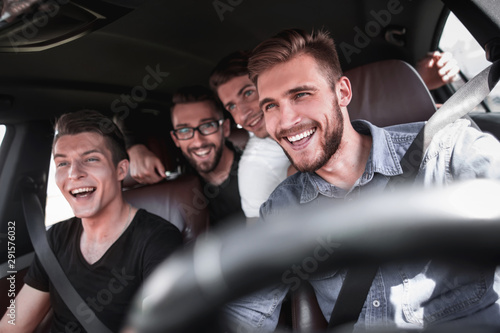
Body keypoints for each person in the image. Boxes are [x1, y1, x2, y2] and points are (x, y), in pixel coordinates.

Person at [224, 28, 500, 332]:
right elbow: (246, 311)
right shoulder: (281, 209)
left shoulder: (448, 149)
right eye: (271, 106)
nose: (286, 121)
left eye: (301, 94)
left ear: (342, 92)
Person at [0, 110, 183, 333]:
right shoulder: (55, 238)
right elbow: (13, 326)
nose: (73, 174)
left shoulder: (158, 240)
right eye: (62, 163)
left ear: (121, 170)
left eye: (91, 159)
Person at [209, 51, 294, 221]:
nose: (242, 115)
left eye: (248, 93)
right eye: (232, 106)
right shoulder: (254, 167)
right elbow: (263, 241)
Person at [168, 85, 245, 227]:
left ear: (225, 128)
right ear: (175, 139)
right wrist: (136, 148)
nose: (198, 141)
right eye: (184, 130)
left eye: (207, 126)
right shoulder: (179, 185)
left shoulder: (254, 169)